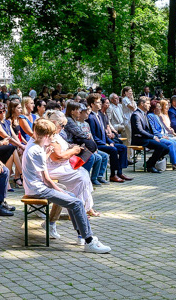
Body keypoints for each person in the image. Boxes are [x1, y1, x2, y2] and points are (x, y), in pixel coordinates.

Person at [21, 119, 110, 253]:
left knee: (73, 197)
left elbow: (38, 165)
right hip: (38, 189)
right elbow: (47, 180)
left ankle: (82, 234)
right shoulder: (37, 150)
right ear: (45, 136)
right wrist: (62, 192)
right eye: (51, 135)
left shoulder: (33, 145)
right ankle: (89, 240)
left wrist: (47, 154)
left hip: (35, 186)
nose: (53, 138)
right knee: (76, 203)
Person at [40, 110, 95, 235]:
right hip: (53, 169)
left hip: (61, 167)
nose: (63, 128)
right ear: (54, 123)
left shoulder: (56, 134)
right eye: (62, 125)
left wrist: (72, 147)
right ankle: (79, 212)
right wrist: (74, 151)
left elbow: (62, 150)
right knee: (81, 178)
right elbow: (57, 157)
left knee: (83, 174)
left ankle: (80, 210)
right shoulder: (51, 137)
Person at [86, 95, 130, 182]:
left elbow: (104, 133)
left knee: (123, 147)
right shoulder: (90, 118)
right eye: (98, 102)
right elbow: (93, 136)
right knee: (113, 150)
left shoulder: (100, 115)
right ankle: (113, 175)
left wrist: (110, 141)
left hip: (104, 142)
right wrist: (105, 144)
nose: (100, 104)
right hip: (97, 145)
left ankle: (120, 172)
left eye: (100, 102)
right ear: (92, 104)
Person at [147, 102, 176, 170]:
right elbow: (153, 130)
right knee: (171, 143)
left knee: (175, 141)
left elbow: (163, 128)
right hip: (157, 137)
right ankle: (175, 163)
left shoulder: (157, 116)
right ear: (153, 109)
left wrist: (166, 134)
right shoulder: (150, 116)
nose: (160, 108)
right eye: (158, 107)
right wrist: (162, 136)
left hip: (164, 135)